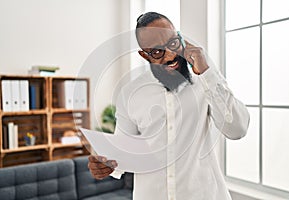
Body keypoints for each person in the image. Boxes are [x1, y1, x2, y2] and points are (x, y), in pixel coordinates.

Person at [88, 12, 250, 200]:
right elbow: (124, 151)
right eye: (157, 51)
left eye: (173, 43)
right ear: (145, 55)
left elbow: (237, 129)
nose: (171, 55)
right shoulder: (130, 94)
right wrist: (106, 165)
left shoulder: (205, 81)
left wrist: (208, 73)